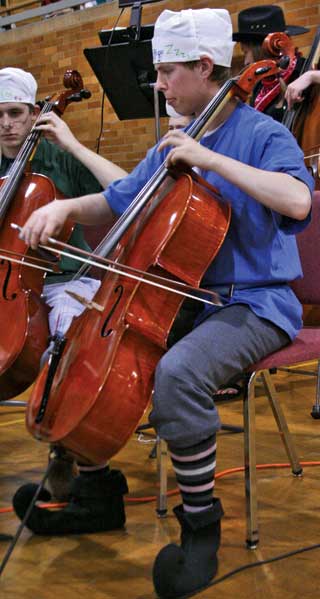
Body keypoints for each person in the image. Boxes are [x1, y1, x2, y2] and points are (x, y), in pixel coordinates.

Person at [12, 9, 314, 598]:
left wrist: (209, 161)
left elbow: (298, 201)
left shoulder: (260, 134)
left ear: (206, 68)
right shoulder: (178, 139)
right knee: (75, 347)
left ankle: (201, 525)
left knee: (177, 375)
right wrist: (69, 209)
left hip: (255, 304)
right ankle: (96, 490)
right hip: (191, 302)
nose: (158, 84)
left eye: (167, 71)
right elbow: (121, 199)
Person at [0, 66, 128, 501]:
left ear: (34, 112)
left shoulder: (59, 157)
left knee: (67, 339)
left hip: (64, 280)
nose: (6, 124)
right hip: (10, 285)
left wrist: (71, 142)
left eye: (15, 113)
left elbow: (126, 190)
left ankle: (67, 454)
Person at [232, 4, 309, 122]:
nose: (246, 61)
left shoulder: (303, 70)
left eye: (246, 52)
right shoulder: (261, 86)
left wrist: (311, 76)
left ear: (264, 48)